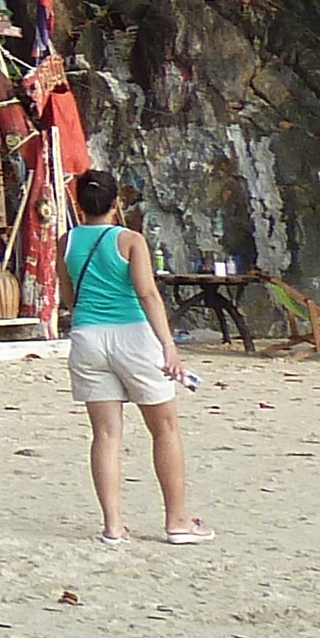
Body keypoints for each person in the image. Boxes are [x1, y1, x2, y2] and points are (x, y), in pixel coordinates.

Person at [65, 169, 209, 545]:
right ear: (117, 203)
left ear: (80, 204)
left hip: (87, 338)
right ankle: (177, 521)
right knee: (164, 429)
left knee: (106, 434)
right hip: (133, 336)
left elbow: (68, 299)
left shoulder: (65, 241)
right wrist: (169, 346)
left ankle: (113, 526)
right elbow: (147, 294)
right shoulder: (130, 240)